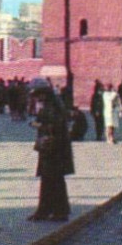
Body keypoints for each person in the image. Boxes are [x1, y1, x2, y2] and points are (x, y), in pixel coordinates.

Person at [28, 82, 74, 221]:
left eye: (37, 96)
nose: (36, 99)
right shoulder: (54, 104)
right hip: (53, 148)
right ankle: (52, 210)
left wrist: (37, 124)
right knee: (52, 180)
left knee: (51, 180)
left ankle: (53, 211)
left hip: (52, 148)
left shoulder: (51, 107)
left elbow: (52, 126)